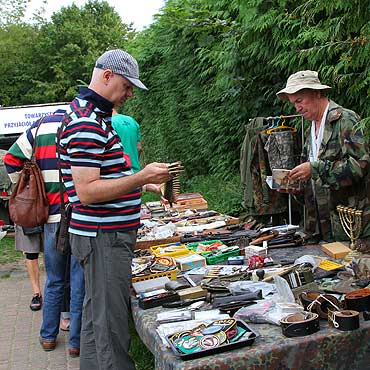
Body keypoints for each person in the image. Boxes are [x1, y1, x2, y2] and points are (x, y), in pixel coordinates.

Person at [59, 49, 171, 370]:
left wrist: (144, 183)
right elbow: (88, 191)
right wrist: (142, 175)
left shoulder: (95, 116)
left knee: (97, 326)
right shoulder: (85, 122)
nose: (130, 93)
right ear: (107, 76)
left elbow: (102, 176)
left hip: (102, 235)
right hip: (103, 237)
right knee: (111, 330)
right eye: (127, 85)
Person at [4, 110, 85, 357]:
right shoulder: (80, 123)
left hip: (51, 216)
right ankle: (75, 341)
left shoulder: (39, 128)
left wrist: (28, 182)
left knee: (54, 280)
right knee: (79, 280)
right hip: (80, 216)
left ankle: (48, 336)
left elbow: (10, 159)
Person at [276, 70, 370, 242]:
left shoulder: (345, 120)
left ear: (317, 93)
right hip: (320, 229)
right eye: (293, 103)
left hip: (349, 228)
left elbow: (359, 166)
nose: (297, 108)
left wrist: (315, 168)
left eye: (299, 100)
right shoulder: (310, 129)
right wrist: (295, 186)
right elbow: (313, 181)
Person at [112, 108, 142, 172]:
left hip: (120, 173)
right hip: (136, 172)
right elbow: (139, 148)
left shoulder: (107, 124)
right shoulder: (131, 120)